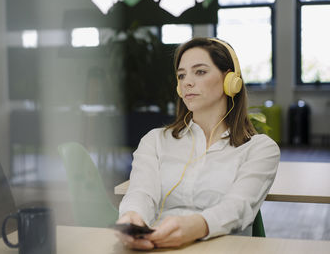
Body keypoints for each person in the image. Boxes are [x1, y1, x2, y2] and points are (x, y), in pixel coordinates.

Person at [116, 37, 280, 250]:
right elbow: (141, 192)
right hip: (159, 246)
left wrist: (196, 226)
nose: (187, 82)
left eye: (200, 72)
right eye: (181, 75)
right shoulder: (155, 141)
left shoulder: (260, 149)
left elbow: (238, 207)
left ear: (230, 80)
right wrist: (132, 218)